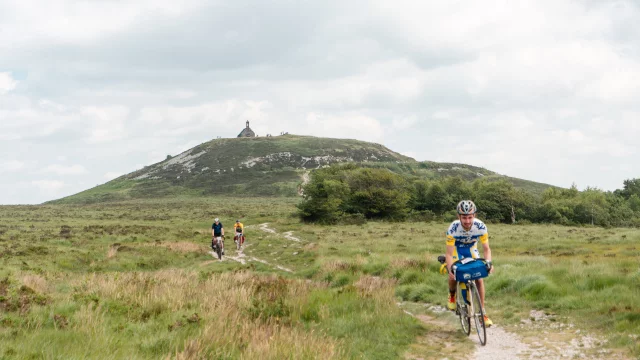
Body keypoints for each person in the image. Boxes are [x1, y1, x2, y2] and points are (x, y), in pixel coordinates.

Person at [445, 200, 494, 326]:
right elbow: (449, 254)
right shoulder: (453, 228)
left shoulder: (481, 227)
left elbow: (486, 249)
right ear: (459, 217)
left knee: (479, 278)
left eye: (470, 217)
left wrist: (489, 263)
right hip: (457, 250)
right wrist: (450, 269)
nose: (467, 221)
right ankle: (452, 295)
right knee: (453, 274)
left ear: (474, 216)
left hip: (471, 249)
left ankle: (482, 313)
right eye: (464, 217)